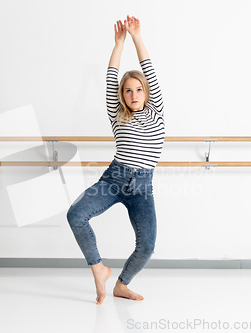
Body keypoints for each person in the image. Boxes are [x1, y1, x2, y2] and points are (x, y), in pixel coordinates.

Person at [67, 15, 165, 305]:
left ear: (146, 93)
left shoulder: (156, 111)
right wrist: (119, 43)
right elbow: (111, 74)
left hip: (142, 188)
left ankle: (122, 285)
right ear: (121, 96)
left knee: (147, 246)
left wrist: (136, 36)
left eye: (138, 89)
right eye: (127, 90)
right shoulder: (117, 114)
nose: (133, 94)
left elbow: (149, 68)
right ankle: (99, 269)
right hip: (113, 180)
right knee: (75, 215)